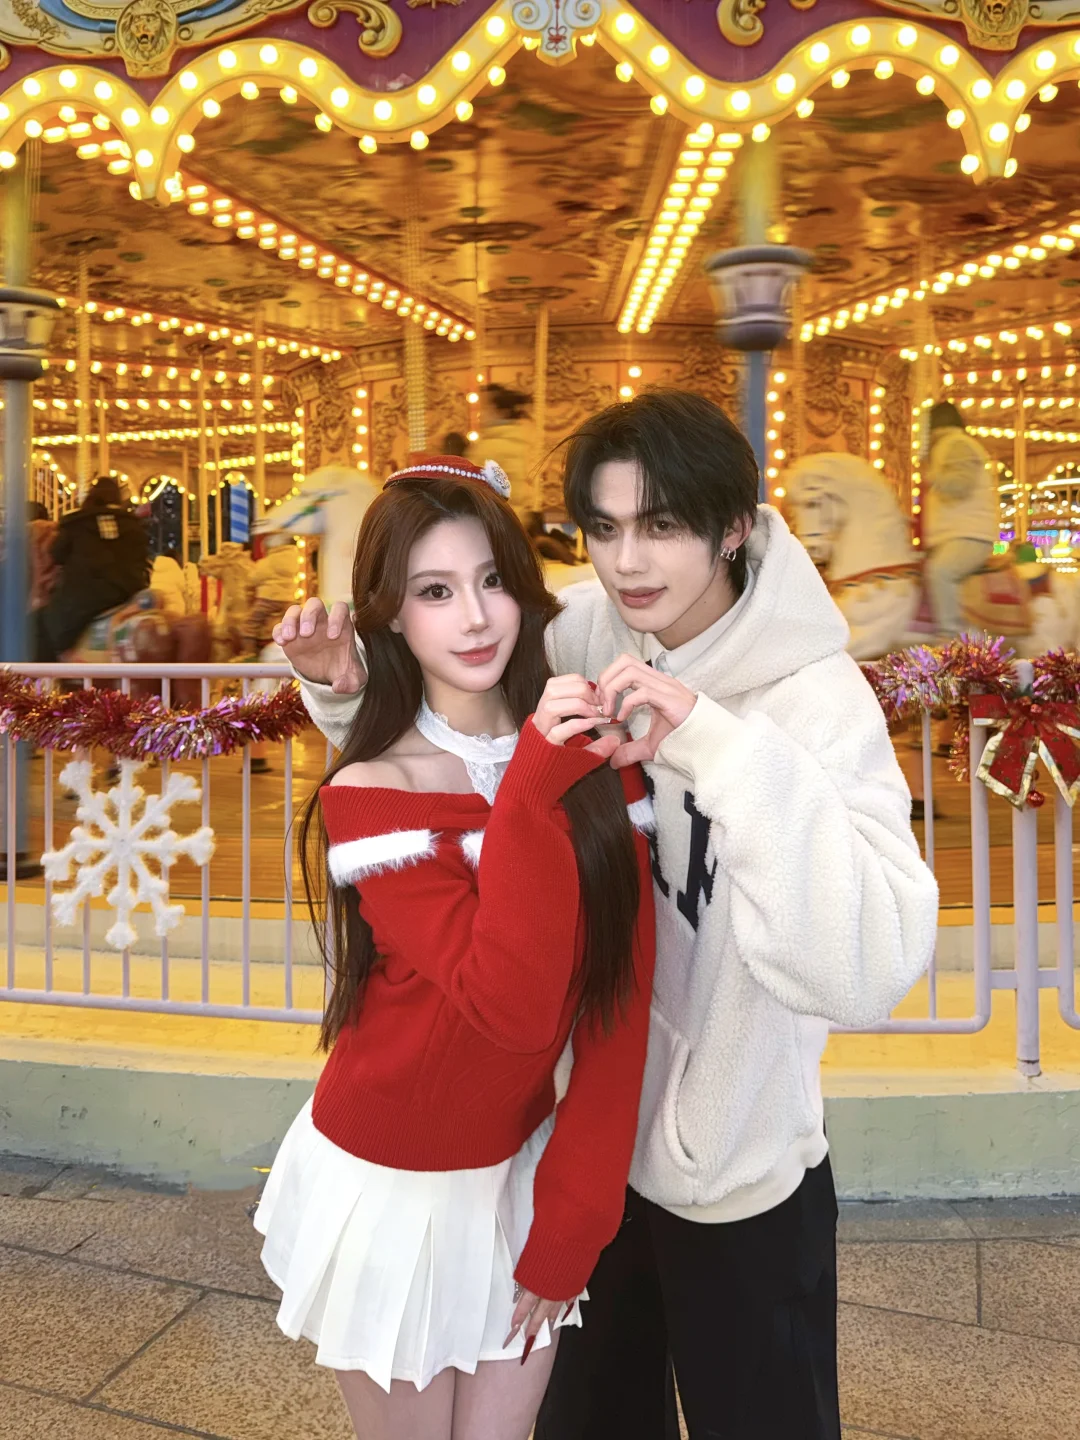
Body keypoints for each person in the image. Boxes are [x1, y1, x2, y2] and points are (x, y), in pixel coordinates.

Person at [274, 392, 939, 1440]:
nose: (630, 561)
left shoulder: (817, 702)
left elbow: (870, 965)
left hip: (728, 1169)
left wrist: (717, 748)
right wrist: (350, 696)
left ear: (733, 526)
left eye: (662, 524)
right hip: (571, 1151)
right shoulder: (584, 630)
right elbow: (463, 738)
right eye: (604, 526)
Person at [255, 454, 656, 1440]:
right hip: (393, 1178)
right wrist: (531, 785)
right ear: (390, 615)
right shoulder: (374, 792)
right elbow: (508, 1003)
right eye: (434, 592)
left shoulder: (590, 754)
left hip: (520, 1167)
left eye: (491, 581)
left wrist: (576, 1214)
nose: (476, 619)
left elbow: (621, 1001)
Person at [40, 474, 149, 660]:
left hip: (87, 599)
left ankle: (53, 667)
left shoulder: (75, 523)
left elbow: (56, 555)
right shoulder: (134, 525)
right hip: (129, 593)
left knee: (43, 622)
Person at [923, 400, 999, 637]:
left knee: (940, 572)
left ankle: (951, 635)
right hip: (955, 534)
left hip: (971, 534)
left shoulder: (957, 444)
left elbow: (961, 485)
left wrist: (932, 477)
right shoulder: (945, 446)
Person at [476, 384, 534, 519]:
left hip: (495, 519)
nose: (480, 415)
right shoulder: (517, 440)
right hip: (510, 518)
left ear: (499, 412)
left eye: (485, 408)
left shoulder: (491, 446)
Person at [244, 528, 300, 656]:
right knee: (291, 624)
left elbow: (254, 577)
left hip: (268, 599)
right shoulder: (293, 559)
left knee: (250, 623)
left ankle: (249, 652)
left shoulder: (269, 561)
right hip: (287, 599)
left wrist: (250, 578)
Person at [149, 548, 191, 618]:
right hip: (172, 604)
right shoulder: (175, 567)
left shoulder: (156, 568)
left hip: (156, 601)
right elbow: (183, 586)